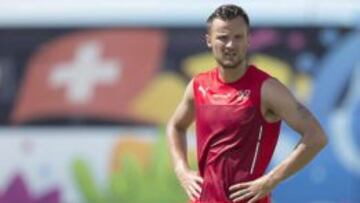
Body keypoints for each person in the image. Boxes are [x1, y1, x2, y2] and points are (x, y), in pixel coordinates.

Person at [166, 4, 328, 203]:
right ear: (209, 40)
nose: (230, 45)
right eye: (223, 37)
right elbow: (176, 126)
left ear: (248, 40)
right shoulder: (198, 86)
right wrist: (181, 169)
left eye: (238, 37)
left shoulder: (267, 89)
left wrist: (270, 180)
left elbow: (316, 136)